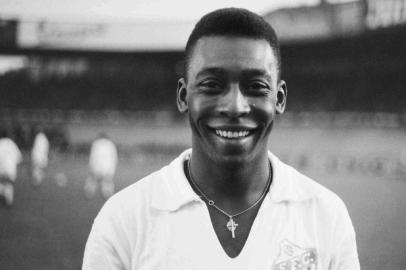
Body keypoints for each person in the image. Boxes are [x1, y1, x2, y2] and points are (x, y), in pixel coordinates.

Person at [83, 8, 360, 269]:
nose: (235, 106)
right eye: (212, 85)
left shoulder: (325, 216)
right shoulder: (123, 220)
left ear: (280, 98)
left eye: (256, 86)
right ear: (183, 96)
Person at [84, 133, 118, 199]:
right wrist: (112, 168)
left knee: (92, 180)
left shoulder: (96, 144)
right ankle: (107, 195)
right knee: (107, 181)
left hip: (97, 166)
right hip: (108, 166)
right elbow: (114, 157)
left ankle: (89, 194)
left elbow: (93, 156)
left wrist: (91, 166)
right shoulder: (110, 144)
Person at [0, 132, 22, 206]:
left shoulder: (1, 143)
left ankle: (6, 193)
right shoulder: (12, 144)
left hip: (2, 168)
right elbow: (19, 158)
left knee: (3, 184)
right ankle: (9, 199)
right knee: (9, 184)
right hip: (11, 168)